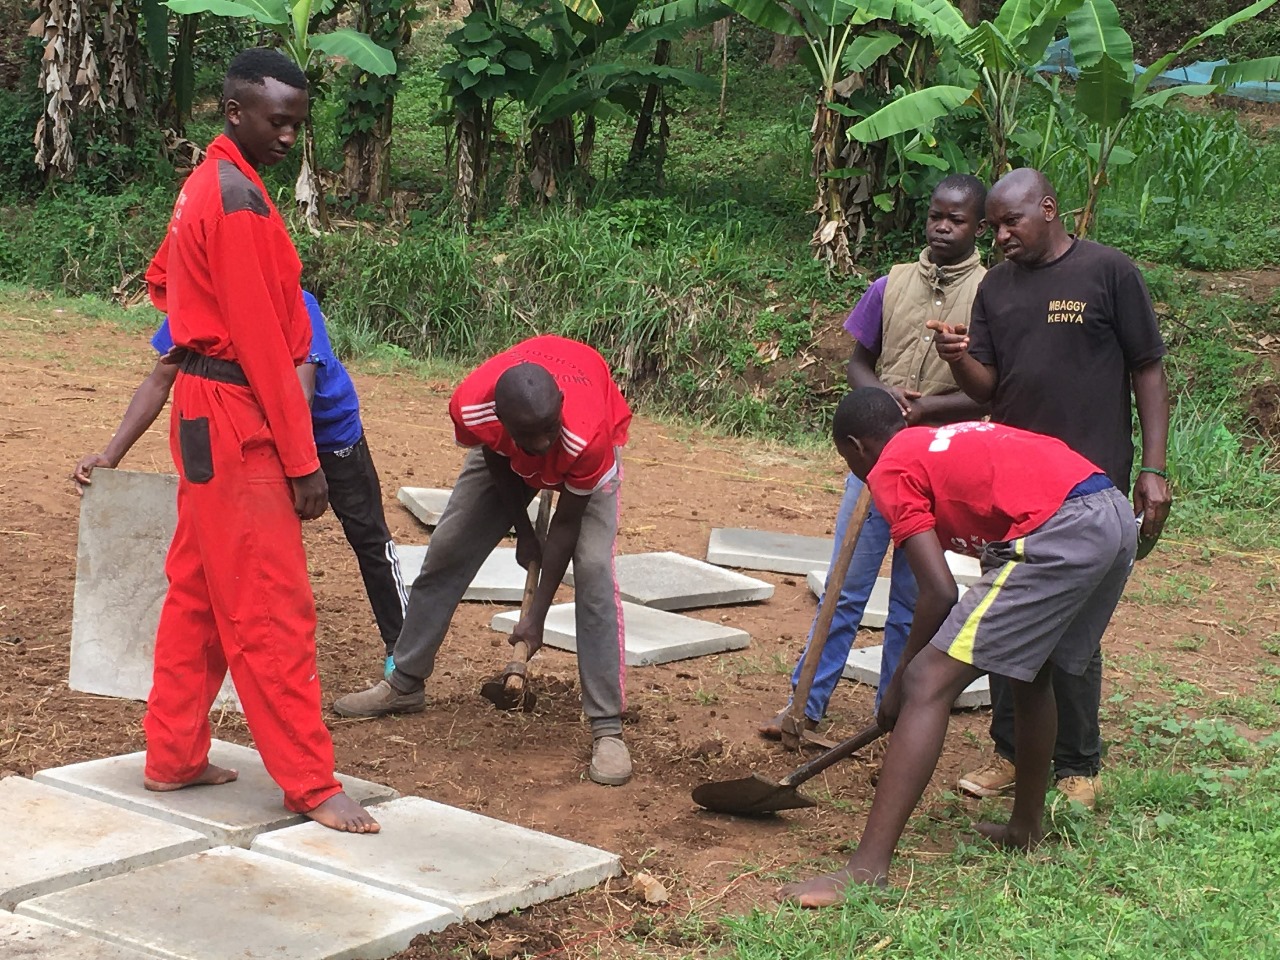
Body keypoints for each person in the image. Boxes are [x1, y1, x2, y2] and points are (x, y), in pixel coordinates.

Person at [139, 47, 377, 832]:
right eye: (277, 120)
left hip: (205, 405)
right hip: (238, 415)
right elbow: (268, 345)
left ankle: (172, 755)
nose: (287, 136)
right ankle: (311, 782)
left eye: (296, 124)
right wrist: (304, 462)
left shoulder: (206, 183)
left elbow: (163, 281)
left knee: (201, 592)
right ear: (235, 112)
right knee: (272, 603)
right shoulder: (236, 199)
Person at [779, 388, 1137, 906]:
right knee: (1029, 673)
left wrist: (902, 681)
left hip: (1064, 527)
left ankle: (866, 869)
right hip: (1110, 513)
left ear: (857, 447)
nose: (856, 474)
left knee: (929, 681)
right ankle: (1025, 829)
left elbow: (940, 590)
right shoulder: (929, 444)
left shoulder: (889, 469)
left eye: (847, 461)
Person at [930, 167, 1172, 809]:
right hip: (1011, 485)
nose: (1001, 235)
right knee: (1008, 609)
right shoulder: (996, 289)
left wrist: (1154, 467)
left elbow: (1147, 368)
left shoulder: (1107, 271)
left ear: (1049, 208)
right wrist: (959, 359)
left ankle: (1079, 765)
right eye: (994, 227)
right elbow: (990, 390)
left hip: (1090, 487)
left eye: (1012, 222)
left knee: (1072, 628)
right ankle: (1015, 755)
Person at [332, 335, 635, 786]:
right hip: (502, 453)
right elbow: (495, 455)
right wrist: (523, 532)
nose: (541, 444)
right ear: (502, 420)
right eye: (528, 436)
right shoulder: (473, 406)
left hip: (586, 462)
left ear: (561, 408)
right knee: (449, 548)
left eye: (548, 430)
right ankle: (404, 682)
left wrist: (534, 618)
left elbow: (567, 526)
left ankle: (607, 726)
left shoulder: (583, 432)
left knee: (592, 571)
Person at [758, 175, 989, 738]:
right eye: (935, 215)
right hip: (875, 467)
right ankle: (804, 705)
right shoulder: (892, 285)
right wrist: (880, 396)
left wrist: (929, 407)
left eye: (955, 220)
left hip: (938, 468)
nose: (941, 226)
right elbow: (858, 362)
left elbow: (992, 389)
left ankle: (895, 715)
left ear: (977, 228)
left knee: (913, 603)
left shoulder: (992, 295)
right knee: (843, 586)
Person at [73, 292, 409, 670]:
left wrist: (301, 466)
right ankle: (250, 649)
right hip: (255, 438)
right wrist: (110, 454)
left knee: (368, 535)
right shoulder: (197, 303)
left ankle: (403, 652)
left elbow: (302, 390)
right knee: (248, 544)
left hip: (328, 432)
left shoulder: (293, 300)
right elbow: (158, 380)